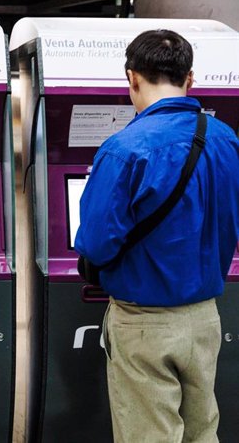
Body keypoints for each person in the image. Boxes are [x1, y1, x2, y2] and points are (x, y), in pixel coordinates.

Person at [75, 29, 239, 443]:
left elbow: (96, 243)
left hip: (144, 323)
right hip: (205, 317)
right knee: (202, 432)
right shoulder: (227, 141)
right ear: (191, 80)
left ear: (132, 77)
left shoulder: (124, 149)